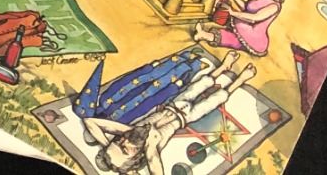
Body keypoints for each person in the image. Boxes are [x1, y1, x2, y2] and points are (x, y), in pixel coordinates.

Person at [81, 56, 258, 175]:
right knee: (215, 100)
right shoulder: (150, 151)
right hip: (188, 117)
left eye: (118, 142)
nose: (125, 141)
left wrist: (107, 145)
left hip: (175, 104)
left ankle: (223, 67)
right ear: (134, 160)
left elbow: (89, 122)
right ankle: (240, 80)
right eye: (125, 150)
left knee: (199, 85)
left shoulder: (127, 132)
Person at [193, 0, 299, 56]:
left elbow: (254, 18)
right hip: (246, 27)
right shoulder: (267, 0)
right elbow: (246, 8)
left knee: (232, 38)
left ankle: (204, 34)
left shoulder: (274, 7)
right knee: (227, 13)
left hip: (254, 38)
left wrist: (232, 13)